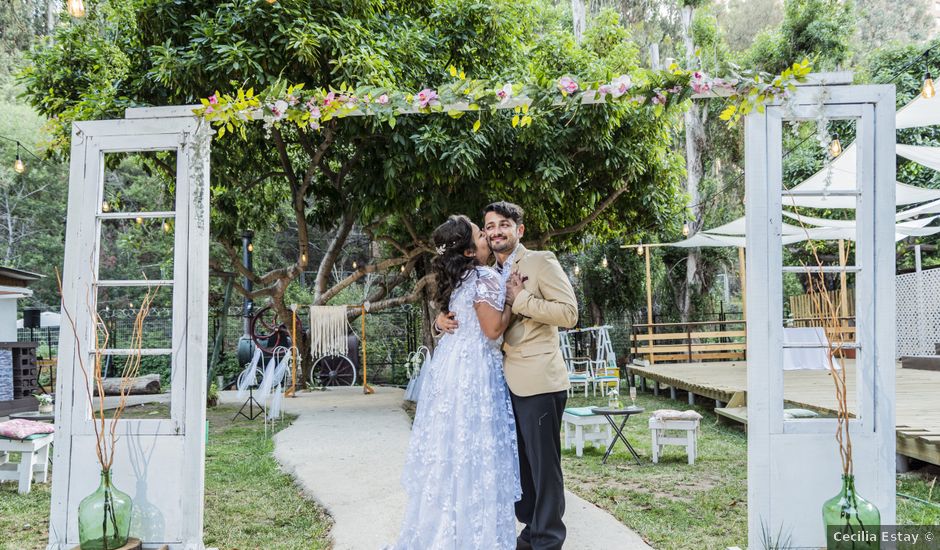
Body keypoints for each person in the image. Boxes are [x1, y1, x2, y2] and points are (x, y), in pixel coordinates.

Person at [436, 201, 578, 550]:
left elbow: (569, 313)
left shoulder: (540, 262)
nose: (496, 231)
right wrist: (441, 321)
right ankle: (531, 530)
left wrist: (522, 298)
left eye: (504, 224)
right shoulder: (483, 271)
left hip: (538, 380)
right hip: (499, 383)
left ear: (519, 230)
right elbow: (467, 313)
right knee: (520, 466)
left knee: (544, 469)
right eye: (489, 226)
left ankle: (548, 539)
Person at [389, 214, 521, 549]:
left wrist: (438, 323)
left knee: (452, 450)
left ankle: (446, 530)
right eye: (480, 234)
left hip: (450, 370)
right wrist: (509, 298)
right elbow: (492, 331)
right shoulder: (485, 277)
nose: (486, 237)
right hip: (475, 371)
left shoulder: (460, 278)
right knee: (477, 449)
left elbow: (458, 318)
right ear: (467, 251)